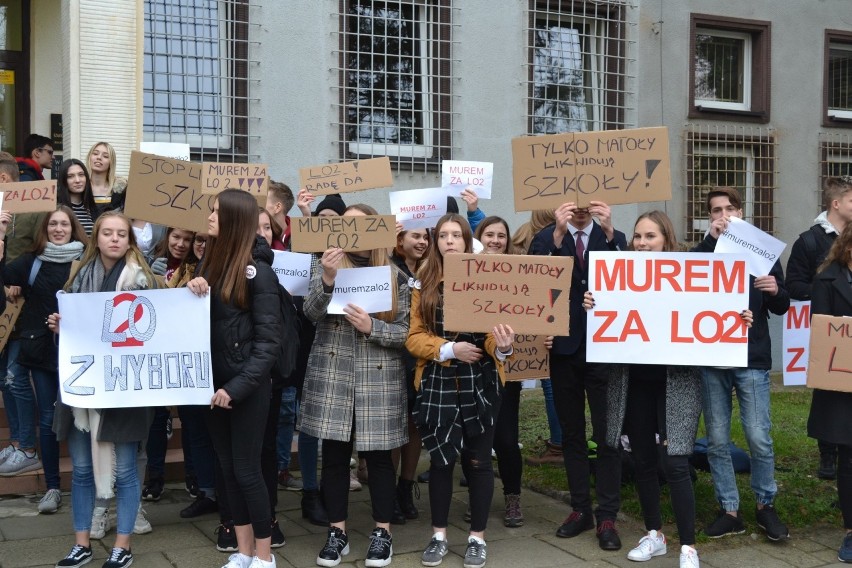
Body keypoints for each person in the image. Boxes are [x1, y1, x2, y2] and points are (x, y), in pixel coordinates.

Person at [586, 210, 753, 568]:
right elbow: (606, 321)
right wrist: (593, 304)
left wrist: (738, 318)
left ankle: (688, 546)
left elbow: (718, 307)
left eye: (651, 236)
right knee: (644, 461)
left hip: (676, 382)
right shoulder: (618, 276)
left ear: (666, 239)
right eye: (639, 237)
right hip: (633, 384)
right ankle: (654, 535)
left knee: (676, 463)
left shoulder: (691, 271)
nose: (643, 243)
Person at [300, 203, 411, 568]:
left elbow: (406, 332)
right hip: (334, 375)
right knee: (333, 459)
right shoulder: (326, 266)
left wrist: (372, 327)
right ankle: (337, 532)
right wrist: (329, 279)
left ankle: (382, 534)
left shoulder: (393, 275)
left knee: (379, 459)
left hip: (378, 377)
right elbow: (311, 313)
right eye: (348, 226)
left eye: (363, 227)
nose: (355, 234)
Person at [48, 211, 159, 568]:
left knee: (126, 471)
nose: (114, 239)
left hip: (124, 392)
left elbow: (163, 327)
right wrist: (59, 327)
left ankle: (122, 547)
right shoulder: (78, 278)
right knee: (80, 471)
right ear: (97, 238)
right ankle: (81, 544)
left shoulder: (146, 283)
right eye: (107, 233)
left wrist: (194, 288)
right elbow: (72, 339)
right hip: (83, 391)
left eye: (121, 234)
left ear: (130, 240)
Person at [406, 213, 515, 568]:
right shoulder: (423, 282)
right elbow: (414, 336)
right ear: (436, 242)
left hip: (480, 382)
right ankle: (438, 537)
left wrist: (501, 347)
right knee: (440, 461)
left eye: (457, 235)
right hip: (439, 379)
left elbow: (492, 333)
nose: (450, 241)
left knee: (479, 462)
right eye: (444, 236)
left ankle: (477, 539)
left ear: (468, 241)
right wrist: (450, 349)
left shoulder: (487, 278)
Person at [185, 189, 283, 568]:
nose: (208, 217)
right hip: (212, 388)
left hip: (246, 390)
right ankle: (243, 553)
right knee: (227, 471)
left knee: (247, 470)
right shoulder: (208, 265)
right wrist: (192, 289)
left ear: (233, 221)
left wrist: (236, 388)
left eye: (215, 212)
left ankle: (264, 555)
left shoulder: (258, 273)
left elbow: (268, 343)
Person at [692, 187, 791, 541]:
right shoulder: (704, 250)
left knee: (758, 436)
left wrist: (774, 290)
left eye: (729, 208)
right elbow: (685, 284)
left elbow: (782, 305)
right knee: (717, 438)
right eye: (715, 210)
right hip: (713, 358)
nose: (723, 215)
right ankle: (729, 509)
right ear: (710, 217)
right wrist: (710, 242)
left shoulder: (759, 250)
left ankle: (766, 505)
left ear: (740, 212)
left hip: (751, 358)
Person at [529, 201, 626, 550]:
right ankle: (580, 509)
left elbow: (631, 282)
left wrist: (612, 232)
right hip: (563, 351)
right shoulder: (545, 239)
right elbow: (532, 283)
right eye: (575, 203)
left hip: (604, 352)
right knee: (572, 434)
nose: (581, 210)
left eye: (588, 204)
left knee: (607, 435)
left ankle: (608, 516)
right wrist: (556, 234)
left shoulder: (613, 237)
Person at [0, 208, 87, 504]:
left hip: (80, 352)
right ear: (45, 229)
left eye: (64, 224)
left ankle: (86, 483)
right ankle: (52, 487)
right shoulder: (32, 261)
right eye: (53, 224)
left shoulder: (86, 260)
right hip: (42, 352)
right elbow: (4, 273)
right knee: (49, 419)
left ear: (73, 228)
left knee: (84, 417)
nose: (59, 229)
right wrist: (0, 236)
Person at [786, 175, 852, 480]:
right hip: (827, 330)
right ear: (836, 204)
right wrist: (829, 291)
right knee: (830, 392)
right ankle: (828, 454)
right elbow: (794, 285)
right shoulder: (809, 241)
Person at [473, 216, 525, 528]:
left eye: (501, 236)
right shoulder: (464, 271)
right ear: (479, 238)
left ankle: (513, 498)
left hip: (506, 368)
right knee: (475, 438)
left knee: (506, 439)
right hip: (471, 367)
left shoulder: (518, 272)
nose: (495, 240)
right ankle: (478, 499)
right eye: (489, 234)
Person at [809, 222, 852, 563]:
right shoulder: (826, 279)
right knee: (849, 458)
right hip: (843, 387)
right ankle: (851, 531)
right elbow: (823, 334)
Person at [512, 210, 563, 467]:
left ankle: (558, 444)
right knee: (552, 385)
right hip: (542, 315)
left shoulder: (545, 239)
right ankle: (560, 442)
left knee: (551, 385)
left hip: (544, 317)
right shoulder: (540, 237)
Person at [389, 224, 429, 523]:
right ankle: (389, 490)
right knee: (395, 427)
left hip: (422, 358)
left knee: (415, 426)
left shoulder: (431, 271)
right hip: (394, 358)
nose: (423, 241)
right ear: (399, 240)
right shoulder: (388, 269)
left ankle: (406, 485)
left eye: (426, 237)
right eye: (416, 236)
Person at [56, 159, 100, 236]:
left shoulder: (93, 209)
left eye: (81, 175)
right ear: (63, 180)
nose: (77, 180)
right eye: (70, 176)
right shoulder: (56, 209)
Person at [86, 141, 127, 214]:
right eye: (95, 153)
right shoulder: (80, 186)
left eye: (105, 156)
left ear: (111, 162)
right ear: (89, 157)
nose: (99, 157)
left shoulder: (121, 190)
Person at [265, 181, 294, 249]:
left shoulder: (298, 236)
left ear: (277, 207)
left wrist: (306, 215)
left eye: (263, 200)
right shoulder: (251, 234)